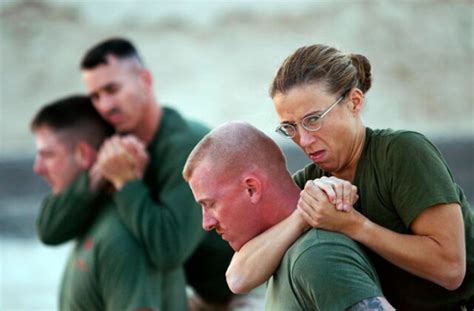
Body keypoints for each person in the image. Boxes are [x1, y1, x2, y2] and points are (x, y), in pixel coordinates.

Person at [226, 44, 474, 310]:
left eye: (313, 119)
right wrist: (302, 216)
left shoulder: (402, 153)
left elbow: (450, 269)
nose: (304, 139)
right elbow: (239, 277)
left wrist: (354, 225)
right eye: (290, 127)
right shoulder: (311, 184)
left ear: (354, 101)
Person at [35, 38, 234, 310]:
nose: (105, 105)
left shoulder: (189, 146)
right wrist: (96, 177)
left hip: (243, 291)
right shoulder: (114, 147)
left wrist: (126, 182)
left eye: (112, 89)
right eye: (95, 96)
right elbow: (50, 231)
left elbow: (169, 250)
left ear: (145, 80)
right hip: (194, 294)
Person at [183, 121, 394, 310]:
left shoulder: (316, 255)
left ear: (252, 189)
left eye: (210, 204)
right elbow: (236, 280)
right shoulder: (282, 247)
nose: (206, 223)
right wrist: (301, 217)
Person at [32, 95, 180, 310]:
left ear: (83, 153)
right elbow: (48, 229)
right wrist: (97, 175)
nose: (37, 168)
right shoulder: (88, 212)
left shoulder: (122, 236)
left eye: (47, 155)